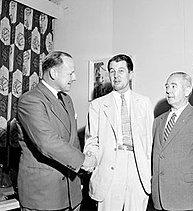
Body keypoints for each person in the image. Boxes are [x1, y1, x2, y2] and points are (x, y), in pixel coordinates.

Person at [17, 51, 96, 211]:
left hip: (71, 194)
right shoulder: (30, 100)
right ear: (53, 73)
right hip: (44, 196)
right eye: (70, 73)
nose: (74, 78)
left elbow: (72, 140)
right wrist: (83, 161)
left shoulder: (66, 99)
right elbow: (47, 142)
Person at [84, 54, 154, 211]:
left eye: (121, 71)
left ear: (130, 74)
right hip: (109, 170)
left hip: (137, 169)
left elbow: (149, 141)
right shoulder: (98, 105)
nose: (116, 76)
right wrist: (89, 158)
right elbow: (92, 141)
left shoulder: (144, 103)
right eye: (112, 71)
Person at [152, 72, 193, 210]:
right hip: (160, 198)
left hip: (188, 197)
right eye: (167, 86)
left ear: (187, 90)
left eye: (173, 86)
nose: (168, 90)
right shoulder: (158, 121)